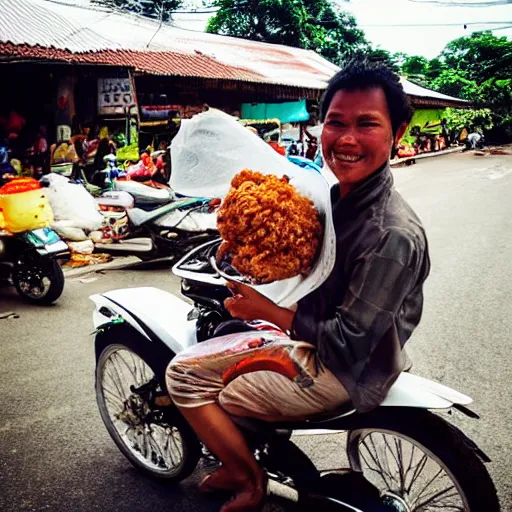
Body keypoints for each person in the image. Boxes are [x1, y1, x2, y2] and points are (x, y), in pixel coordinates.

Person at [166, 58, 430, 512]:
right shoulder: (339, 196)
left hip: (343, 370)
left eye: (367, 124)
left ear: (398, 134)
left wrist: (264, 311)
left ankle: (248, 481)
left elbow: (347, 343)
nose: (347, 139)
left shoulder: (390, 233)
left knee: (186, 377)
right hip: (334, 341)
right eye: (336, 122)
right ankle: (244, 458)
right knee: (231, 343)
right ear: (319, 127)